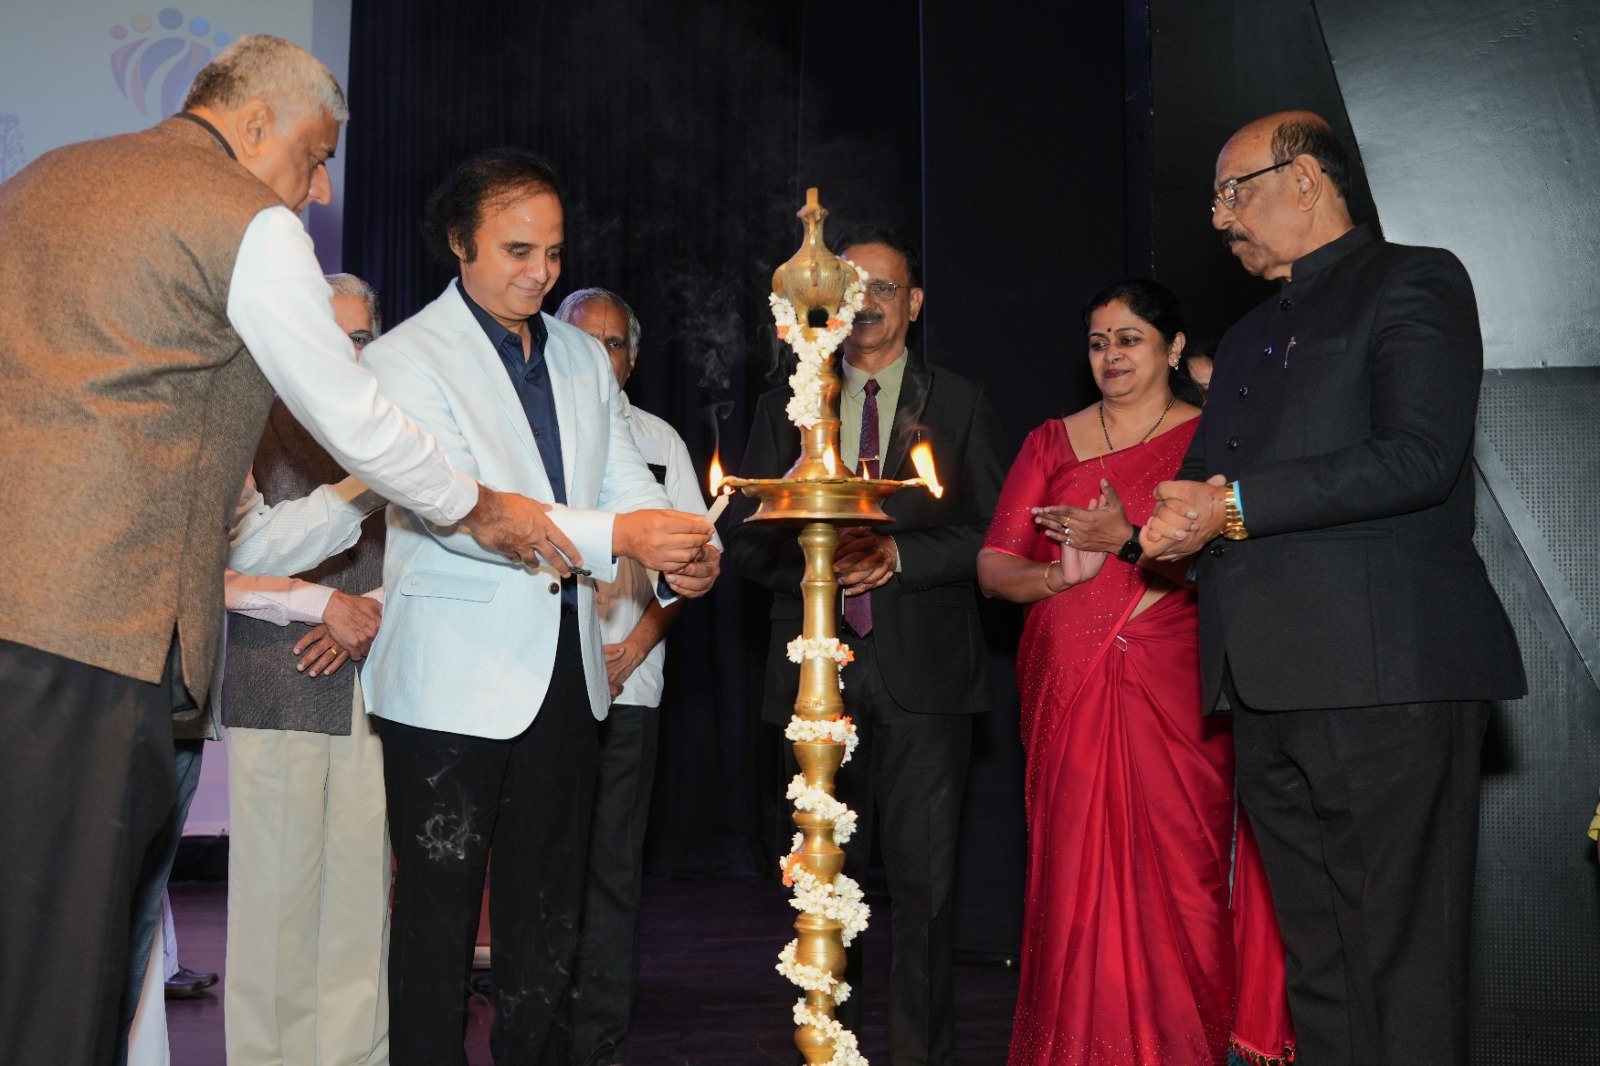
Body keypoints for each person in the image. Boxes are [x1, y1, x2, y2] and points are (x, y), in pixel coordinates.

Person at [0, 33, 584, 1064]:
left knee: (19, 937)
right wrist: (475, 503)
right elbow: (350, 412)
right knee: (75, 962)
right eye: (315, 155)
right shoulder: (245, 217)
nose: (317, 191)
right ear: (256, 119)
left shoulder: (46, 175)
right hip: (104, 628)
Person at [1145, 110, 1525, 1063]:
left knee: (1402, 961)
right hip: (1265, 681)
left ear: (1305, 179)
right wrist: (1154, 523)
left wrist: (1226, 506)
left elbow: (1419, 457)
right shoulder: (1241, 338)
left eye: (1236, 191)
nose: (1221, 218)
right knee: (1319, 962)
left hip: (1385, 676)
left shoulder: (1415, 281)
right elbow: (1209, 483)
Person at [359, 148, 718, 1065]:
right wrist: (625, 538)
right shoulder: (405, 358)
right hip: (449, 682)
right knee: (437, 927)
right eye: (518, 249)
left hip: (568, 669)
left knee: (549, 915)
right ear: (459, 244)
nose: (541, 272)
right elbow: (458, 510)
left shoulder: (578, 355)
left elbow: (622, 479)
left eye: (554, 252)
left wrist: (680, 553)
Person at [977, 279, 1293, 1066]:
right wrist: (1056, 579)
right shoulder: (1051, 441)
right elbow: (993, 565)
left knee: (1180, 876)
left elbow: (1235, 567)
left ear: (1174, 348)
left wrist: (1125, 537)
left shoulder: (1212, 441)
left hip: (1173, 677)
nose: (1111, 355)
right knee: (1073, 879)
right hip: (1067, 679)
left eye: (1130, 339)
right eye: (1097, 341)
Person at [725, 226, 1004, 1066]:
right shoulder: (793, 400)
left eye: (886, 288)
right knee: (820, 883)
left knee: (924, 893)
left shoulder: (958, 401)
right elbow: (745, 541)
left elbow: (994, 534)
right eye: (856, 288)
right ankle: (822, 1044)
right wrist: (818, 564)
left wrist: (900, 556)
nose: (871, 302)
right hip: (816, 682)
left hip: (927, 680)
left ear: (913, 304)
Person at [221, 272, 394, 1066]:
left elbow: (433, 552)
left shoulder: (397, 425)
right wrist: (320, 605)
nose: (347, 353)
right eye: (332, 337)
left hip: (375, 673)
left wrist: (374, 611)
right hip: (276, 671)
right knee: (275, 908)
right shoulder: (246, 418)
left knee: (362, 903)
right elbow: (230, 560)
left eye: (360, 338)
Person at [555, 287, 714, 1066]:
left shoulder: (661, 442)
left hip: (630, 683)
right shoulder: (539, 432)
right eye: (585, 341)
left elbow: (689, 568)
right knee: (546, 859)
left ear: (634, 357)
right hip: (545, 685)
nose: (601, 356)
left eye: (614, 344)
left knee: (613, 862)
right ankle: (543, 1020)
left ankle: (599, 1032)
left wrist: (633, 649)